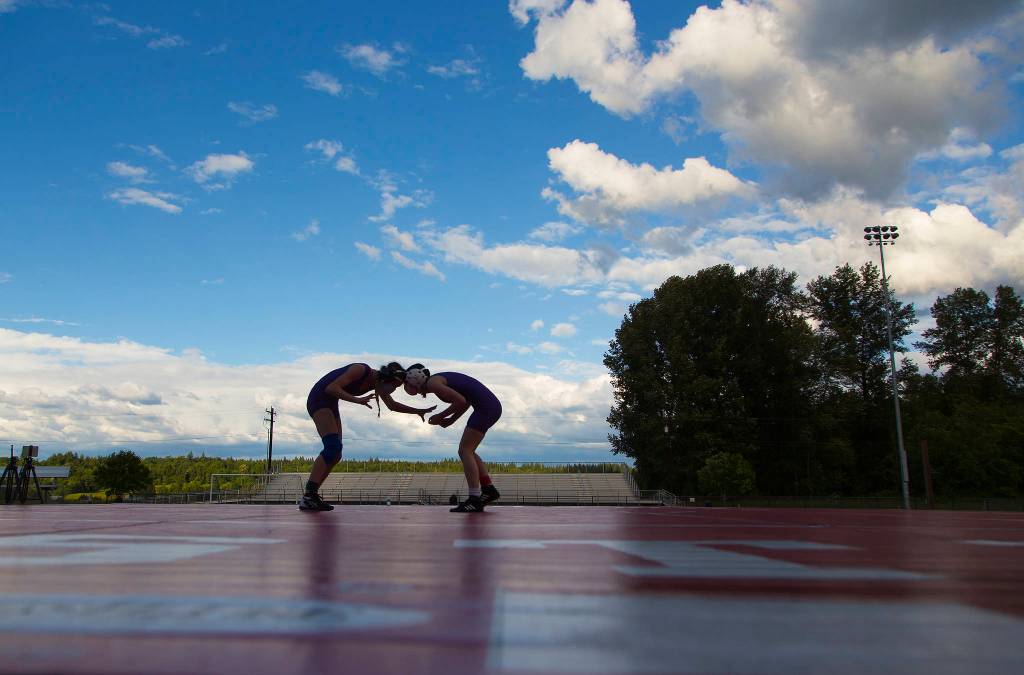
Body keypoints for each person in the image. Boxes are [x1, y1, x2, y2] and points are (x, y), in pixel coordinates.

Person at [301, 361, 435, 511]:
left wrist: (417, 411)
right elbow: (331, 388)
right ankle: (308, 496)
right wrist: (357, 400)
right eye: (394, 387)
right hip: (319, 398)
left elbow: (392, 406)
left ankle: (311, 495)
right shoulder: (361, 369)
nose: (392, 390)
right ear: (385, 379)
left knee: (336, 453)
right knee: (332, 447)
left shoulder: (378, 383)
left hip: (330, 402)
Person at [404, 364, 501, 512]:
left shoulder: (433, 383)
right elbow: (465, 400)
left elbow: (461, 401)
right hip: (489, 406)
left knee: (464, 451)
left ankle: (474, 498)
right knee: (469, 451)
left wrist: (440, 416)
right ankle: (488, 489)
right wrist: (451, 420)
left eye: (406, 383)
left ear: (415, 381)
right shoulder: (435, 381)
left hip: (486, 408)